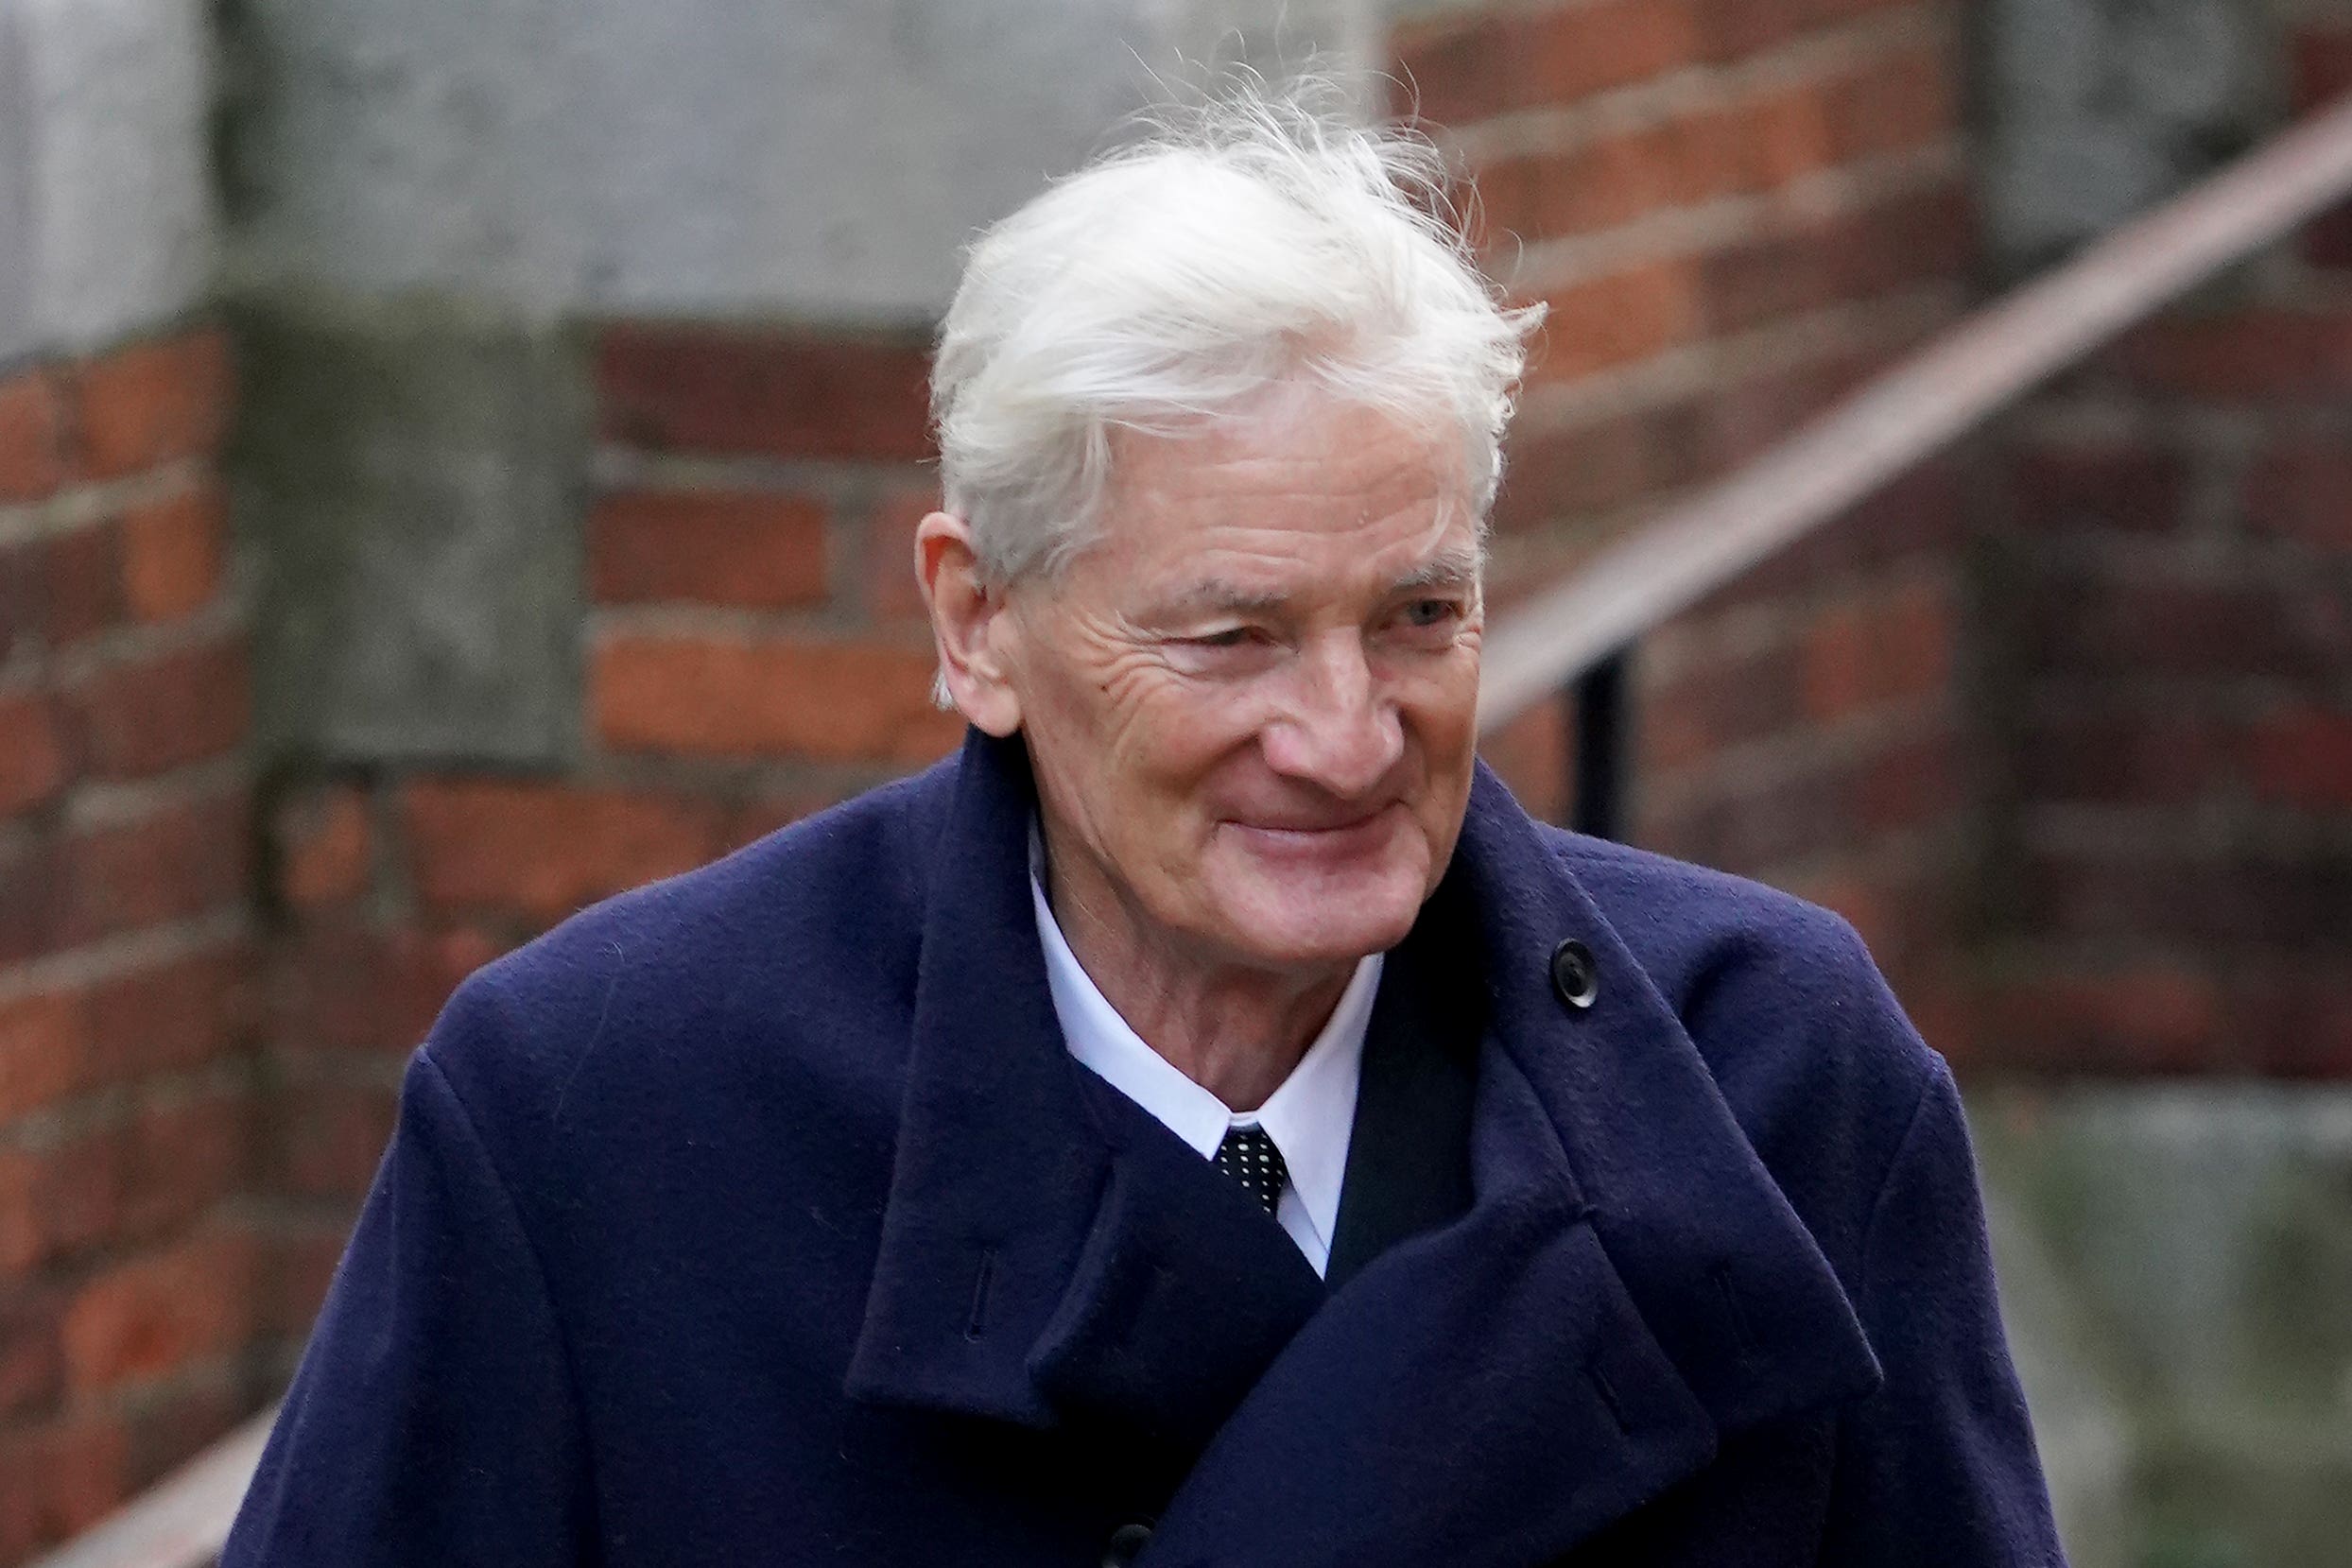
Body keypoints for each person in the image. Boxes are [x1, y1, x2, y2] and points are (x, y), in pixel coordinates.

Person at [223, 89, 2066, 1568]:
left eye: (1416, 615)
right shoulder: (605, 1110)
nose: (1344, 736)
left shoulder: (1772, 1079)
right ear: (976, 624)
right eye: (1230, 635)